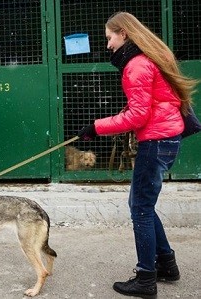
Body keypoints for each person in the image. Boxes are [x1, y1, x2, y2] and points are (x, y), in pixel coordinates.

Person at [77, 12, 198, 298]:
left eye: (109, 38)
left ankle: (146, 279)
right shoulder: (149, 58)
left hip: (156, 141)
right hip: (165, 138)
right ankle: (167, 264)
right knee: (141, 203)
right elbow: (151, 105)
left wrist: (95, 127)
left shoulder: (136, 65)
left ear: (124, 34)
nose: (108, 45)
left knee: (140, 209)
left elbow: (138, 116)